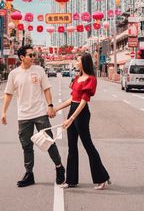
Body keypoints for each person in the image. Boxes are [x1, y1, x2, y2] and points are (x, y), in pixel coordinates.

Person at [1, 45, 65, 187]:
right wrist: (3, 112)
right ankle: (29, 174)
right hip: (23, 116)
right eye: (30, 55)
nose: (33, 57)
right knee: (26, 146)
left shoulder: (39, 70)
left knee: (48, 142)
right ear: (22, 57)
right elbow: (9, 94)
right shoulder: (14, 74)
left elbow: (47, 89)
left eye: (34, 55)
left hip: (40, 113)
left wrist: (50, 105)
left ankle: (59, 168)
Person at [54, 53, 110, 189]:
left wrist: (71, 119)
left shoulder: (90, 79)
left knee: (88, 145)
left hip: (82, 113)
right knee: (71, 147)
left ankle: (102, 177)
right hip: (73, 109)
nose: (75, 61)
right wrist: (55, 109)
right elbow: (71, 99)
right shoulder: (77, 78)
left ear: (84, 62)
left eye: (77, 60)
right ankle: (71, 180)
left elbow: (83, 102)